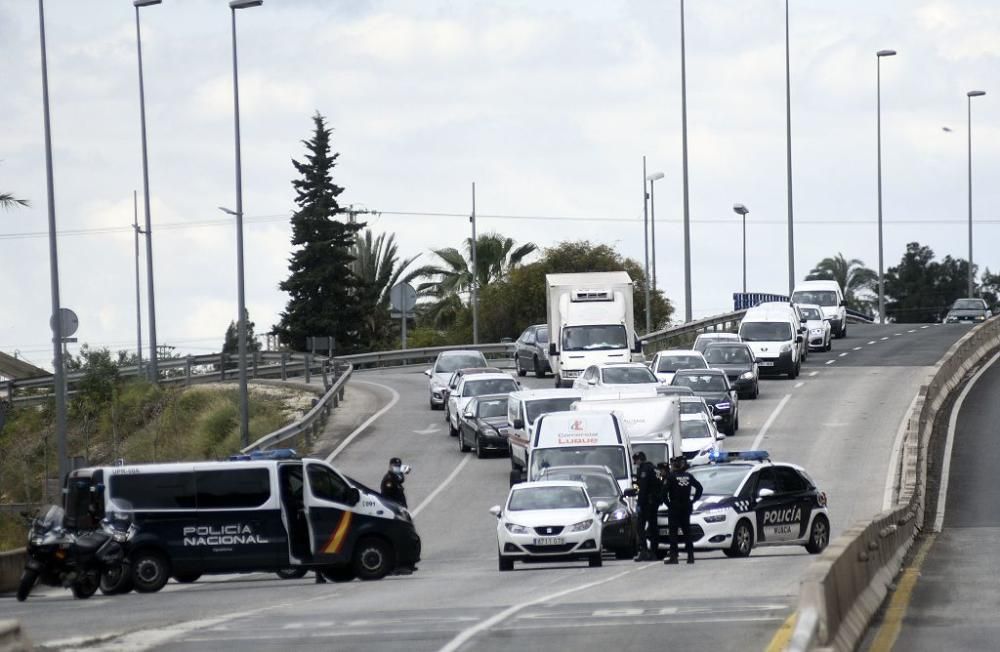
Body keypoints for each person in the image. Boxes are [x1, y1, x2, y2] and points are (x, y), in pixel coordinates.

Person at [663, 456, 703, 565]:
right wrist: (693, 500)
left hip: (675, 507)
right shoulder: (689, 476)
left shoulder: (671, 477)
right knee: (687, 532)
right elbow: (699, 488)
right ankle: (691, 556)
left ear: (674, 466)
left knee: (673, 533)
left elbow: (663, 493)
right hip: (686, 506)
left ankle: (674, 557)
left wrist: (669, 504)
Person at [633, 452, 662, 562]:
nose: (635, 463)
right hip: (654, 502)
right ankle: (654, 552)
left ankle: (644, 551)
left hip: (646, 503)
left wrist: (639, 504)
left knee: (640, 527)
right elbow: (660, 484)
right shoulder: (655, 469)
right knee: (653, 527)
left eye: (636, 460)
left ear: (640, 459)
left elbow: (643, 489)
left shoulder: (644, 469)